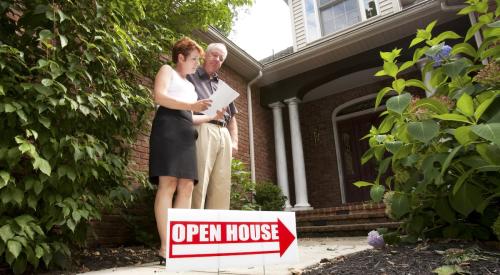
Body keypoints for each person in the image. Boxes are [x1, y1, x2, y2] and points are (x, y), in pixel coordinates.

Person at [149, 37, 220, 264]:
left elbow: (190, 115)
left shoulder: (190, 86)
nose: (196, 64)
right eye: (193, 59)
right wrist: (192, 106)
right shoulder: (166, 70)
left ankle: (180, 246)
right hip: (167, 128)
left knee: (187, 186)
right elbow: (158, 97)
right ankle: (166, 248)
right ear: (180, 57)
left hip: (186, 131)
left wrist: (212, 116)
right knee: (167, 183)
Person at [189, 43, 239, 210]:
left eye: (221, 58)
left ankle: (216, 228)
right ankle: (194, 226)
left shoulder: (223, 87)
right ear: (206, 55)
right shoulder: (190, 76)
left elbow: (232, 118)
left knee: (221, 184)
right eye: (214, 55)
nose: (217, 60)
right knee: (199, 179)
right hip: (202, 127)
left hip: (223, 133)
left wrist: (234, 142)